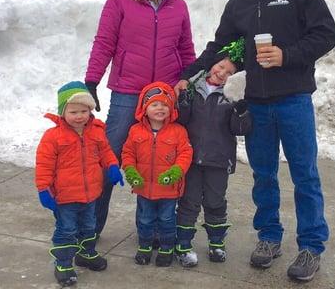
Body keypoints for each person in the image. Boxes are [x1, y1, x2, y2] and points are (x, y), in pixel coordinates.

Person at [175, 0, 335, 281]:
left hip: (294, 99)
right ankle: (269, 237)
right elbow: (220, 46)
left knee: (304, 175)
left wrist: (286, 55)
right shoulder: (239, 4)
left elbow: (326, 34)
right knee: (263, 175)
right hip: (258, 105)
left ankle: (311, 246)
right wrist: (188, 75)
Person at [84, 0, 196, 236]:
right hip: (127, 92)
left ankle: (155, 231)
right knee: (110, 157)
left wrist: (190, 81)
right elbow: (104, 42)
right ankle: (90, 229)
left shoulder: (178, 5)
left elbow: (185, 49)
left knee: (162, 158)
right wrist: (92, 81)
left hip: (164, 95)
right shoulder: (119, 0)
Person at [35, 81, 124, 287]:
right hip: (65, 197)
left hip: (91, 193)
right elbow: (44, 165)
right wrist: (43, 189)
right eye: (74, 111)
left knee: (89, 226)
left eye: (84, 111)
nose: (79, 116)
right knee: (66, 229)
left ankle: (86, 253)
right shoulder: (53, 137)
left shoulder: (96, 131)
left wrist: (112, 166)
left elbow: (105, 152)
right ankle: (64, 263)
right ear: (63, 112)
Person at [174, 40, 252, 268]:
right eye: (220, 67)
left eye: (230, 72)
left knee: (215, 201)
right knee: (188, 202)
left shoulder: (233, 97)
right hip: (191, 159)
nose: (222, 73)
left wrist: (241, 112)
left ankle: (216, 243)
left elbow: (239, 130)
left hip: (218, 160)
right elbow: (181, 121)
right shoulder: (193, 88)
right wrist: (184, 103)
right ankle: (184, 245)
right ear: (211, 64)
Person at [121, 81, 193, 267]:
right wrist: (130, 171)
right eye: (154, 104)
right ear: (145, 108)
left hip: (168, 189)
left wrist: (177, 170)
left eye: (164, 105)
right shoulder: (135, 130)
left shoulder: (178, 131)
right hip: (144, 188)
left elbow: (186, 154)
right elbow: (127, 153)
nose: (159, 108)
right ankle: (144, 246)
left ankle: (166, 248)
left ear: (171, 108)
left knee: (167, 220)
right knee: (145, 219)